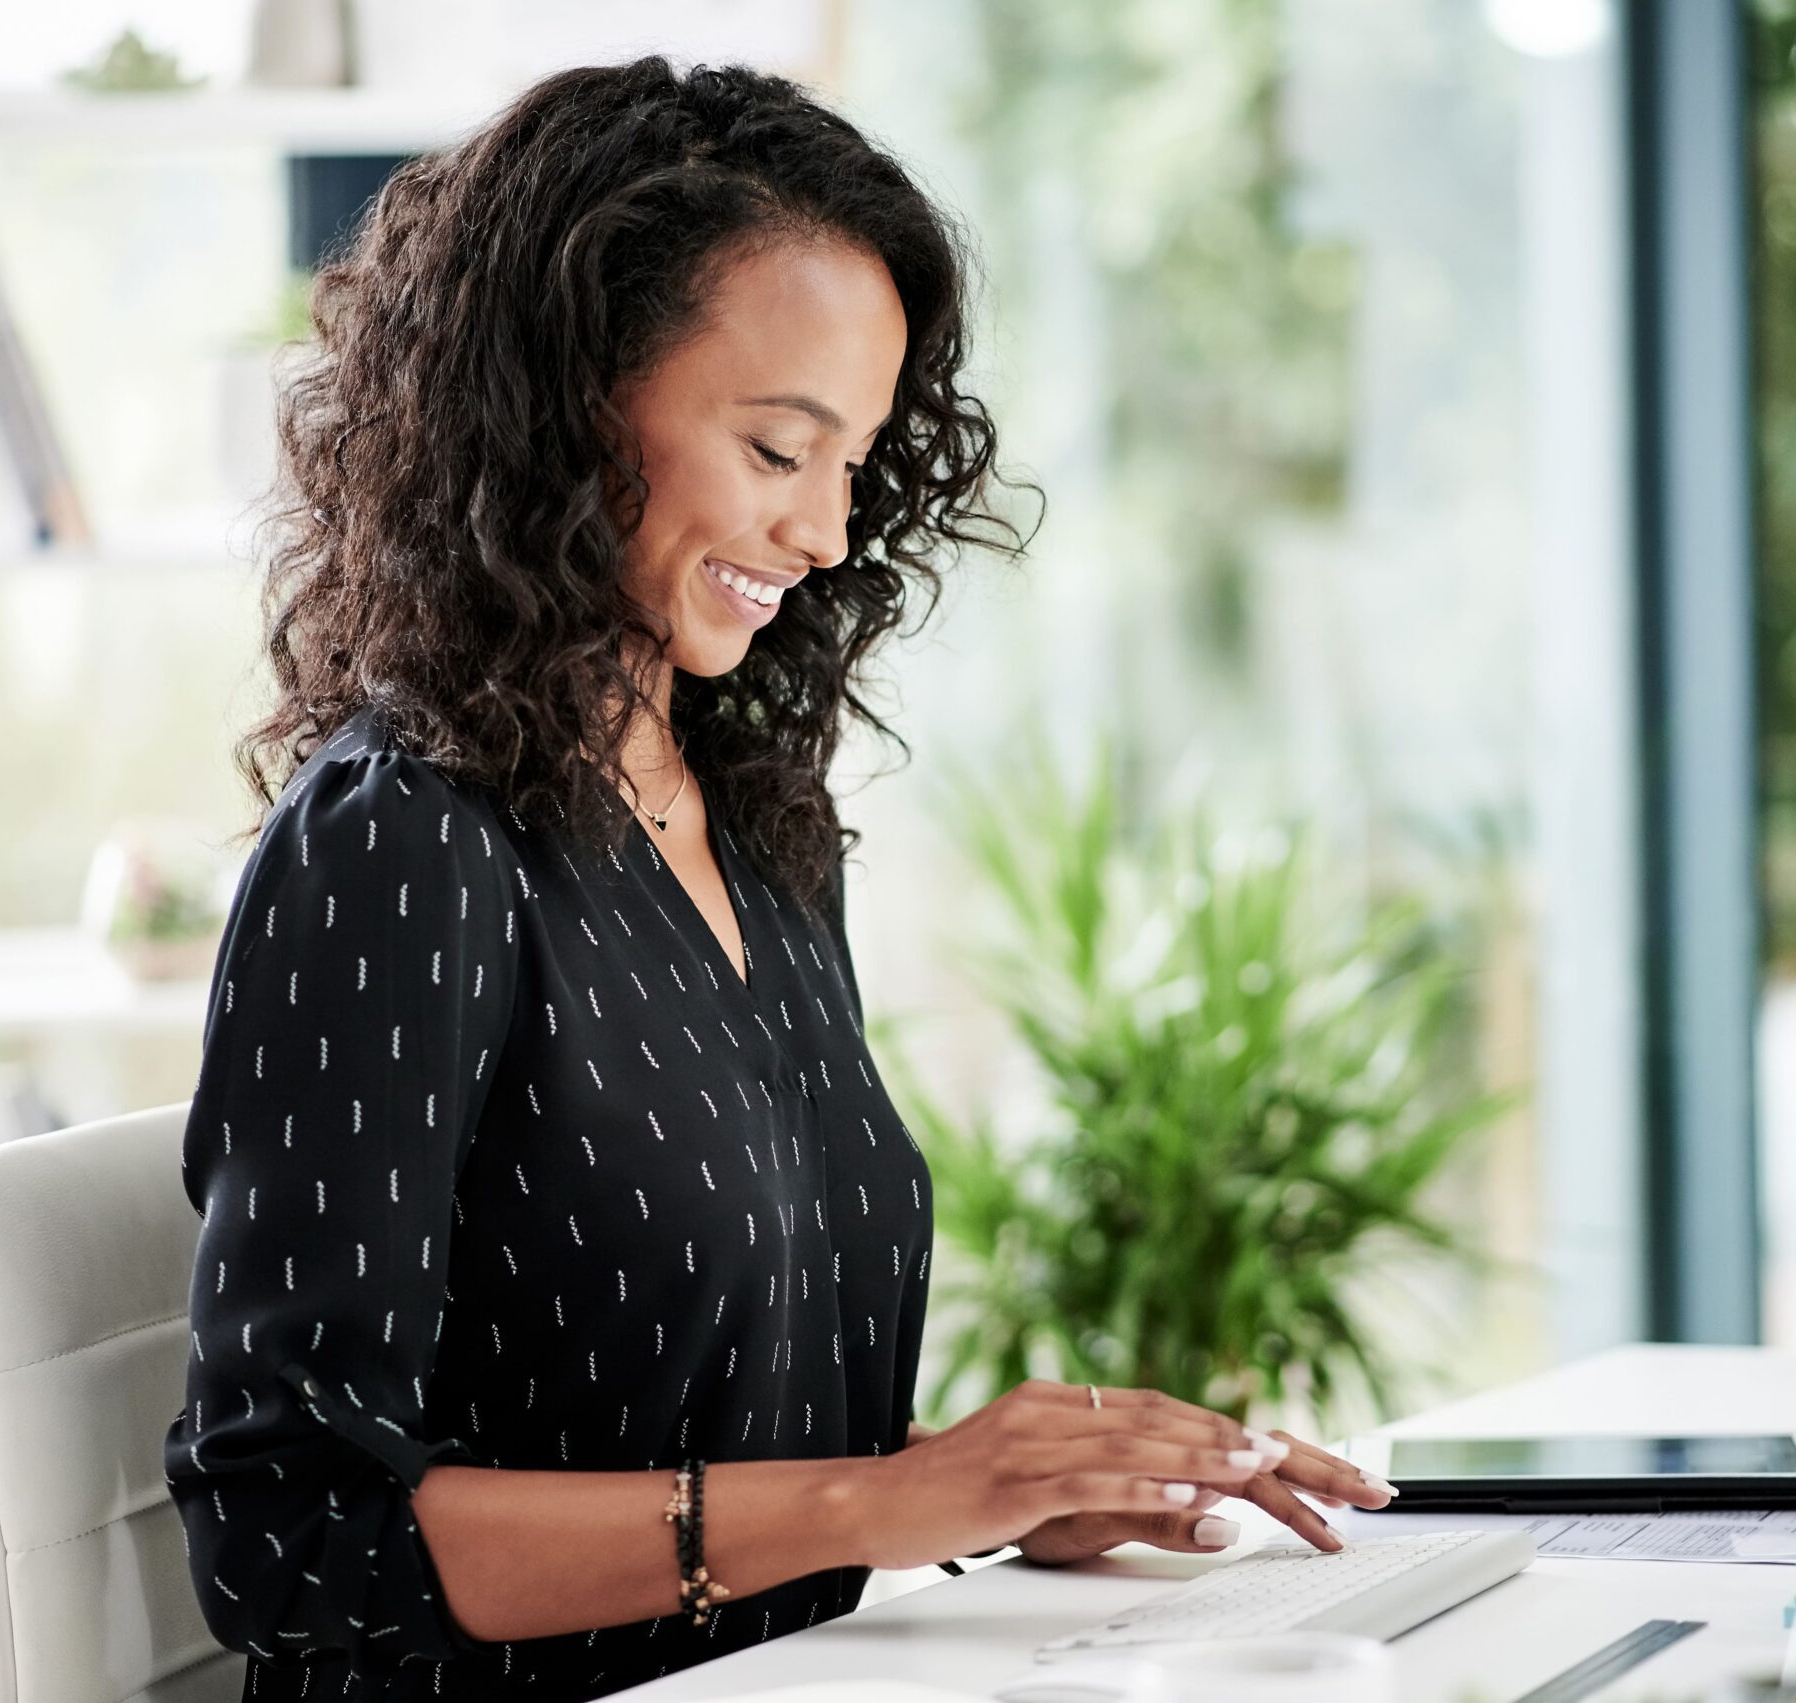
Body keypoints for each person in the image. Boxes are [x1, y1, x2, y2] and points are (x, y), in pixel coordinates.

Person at [165, 55, 1394, 1701]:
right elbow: (289, 1535)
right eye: (776, 448)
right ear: (565, 401)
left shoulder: (746, 811)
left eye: (855, 462)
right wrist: (884, 1502)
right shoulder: (401, 843)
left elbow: (733, 1434)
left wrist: (1012, 1501)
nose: (823, 531)